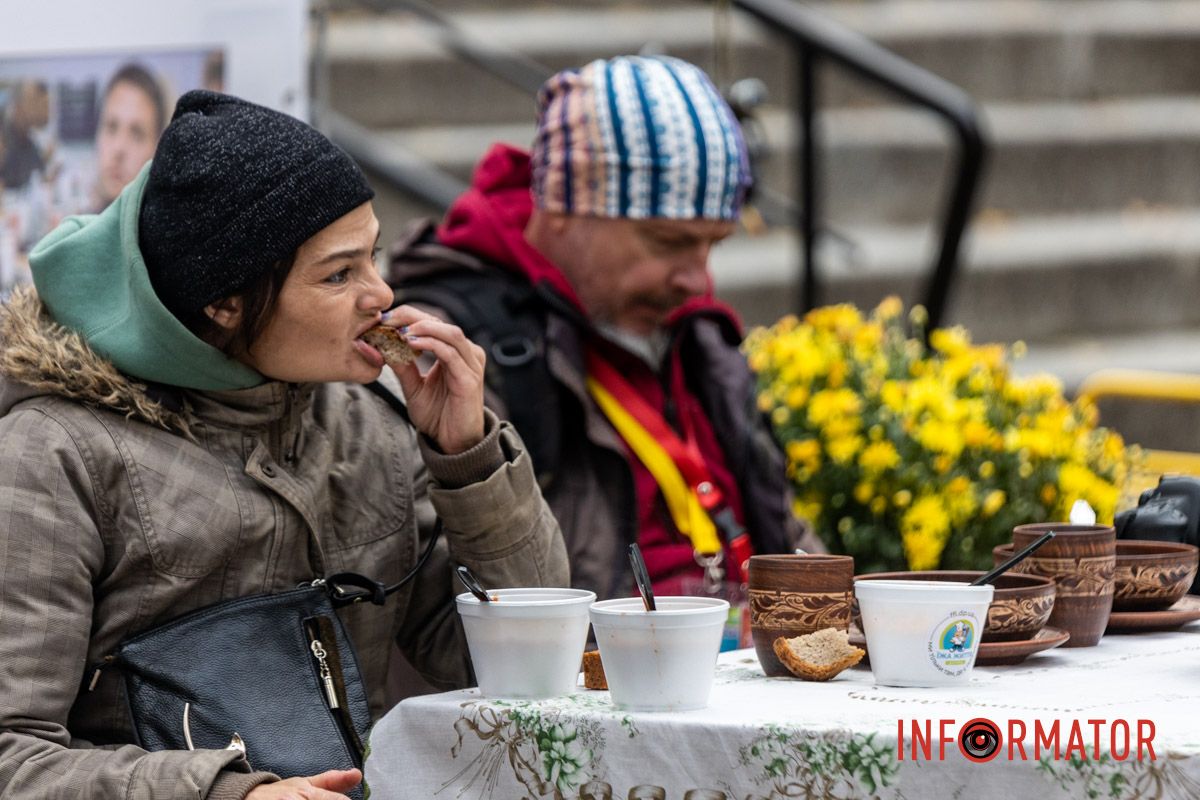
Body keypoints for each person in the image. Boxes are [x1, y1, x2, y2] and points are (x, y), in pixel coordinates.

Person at [0, 90, 567, 799]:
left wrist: (471, 458)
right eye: (339, 274)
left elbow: (526, 669)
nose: (381, 293)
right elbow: (13, 757)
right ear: (223, 302)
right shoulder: (52, 454)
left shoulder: (372, 424)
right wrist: (226, 793)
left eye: (374, 257)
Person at [387, 56, 818, 602]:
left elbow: (780, 528)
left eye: (714, 244)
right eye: (668, 241)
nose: (698, 278)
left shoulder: (695, 335)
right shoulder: (448, 349)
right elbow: (441, 617)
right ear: (564, 205)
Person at [91, 63, 167, 210]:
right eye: (111, 127)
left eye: (136, 134)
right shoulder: (75, 229)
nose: (119, 148)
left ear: (158, 150)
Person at [0, 80, 54, 191]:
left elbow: (38, 177)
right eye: (35, 102)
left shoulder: (29, 141)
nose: (43, 111)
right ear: (17, 106)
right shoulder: (4, 138)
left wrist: (47, 176)